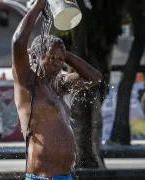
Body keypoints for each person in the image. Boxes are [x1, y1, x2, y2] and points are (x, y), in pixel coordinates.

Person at [11, 0, 103, 179]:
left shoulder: (59, 85)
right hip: (42, 177)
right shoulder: (27, 83)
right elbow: (17, 43)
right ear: (37, 57)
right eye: (51, 57)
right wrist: (39, 5)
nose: (56, 62)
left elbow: (95, 78)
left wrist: (63, 52)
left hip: (65, 176)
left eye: (60, 59)